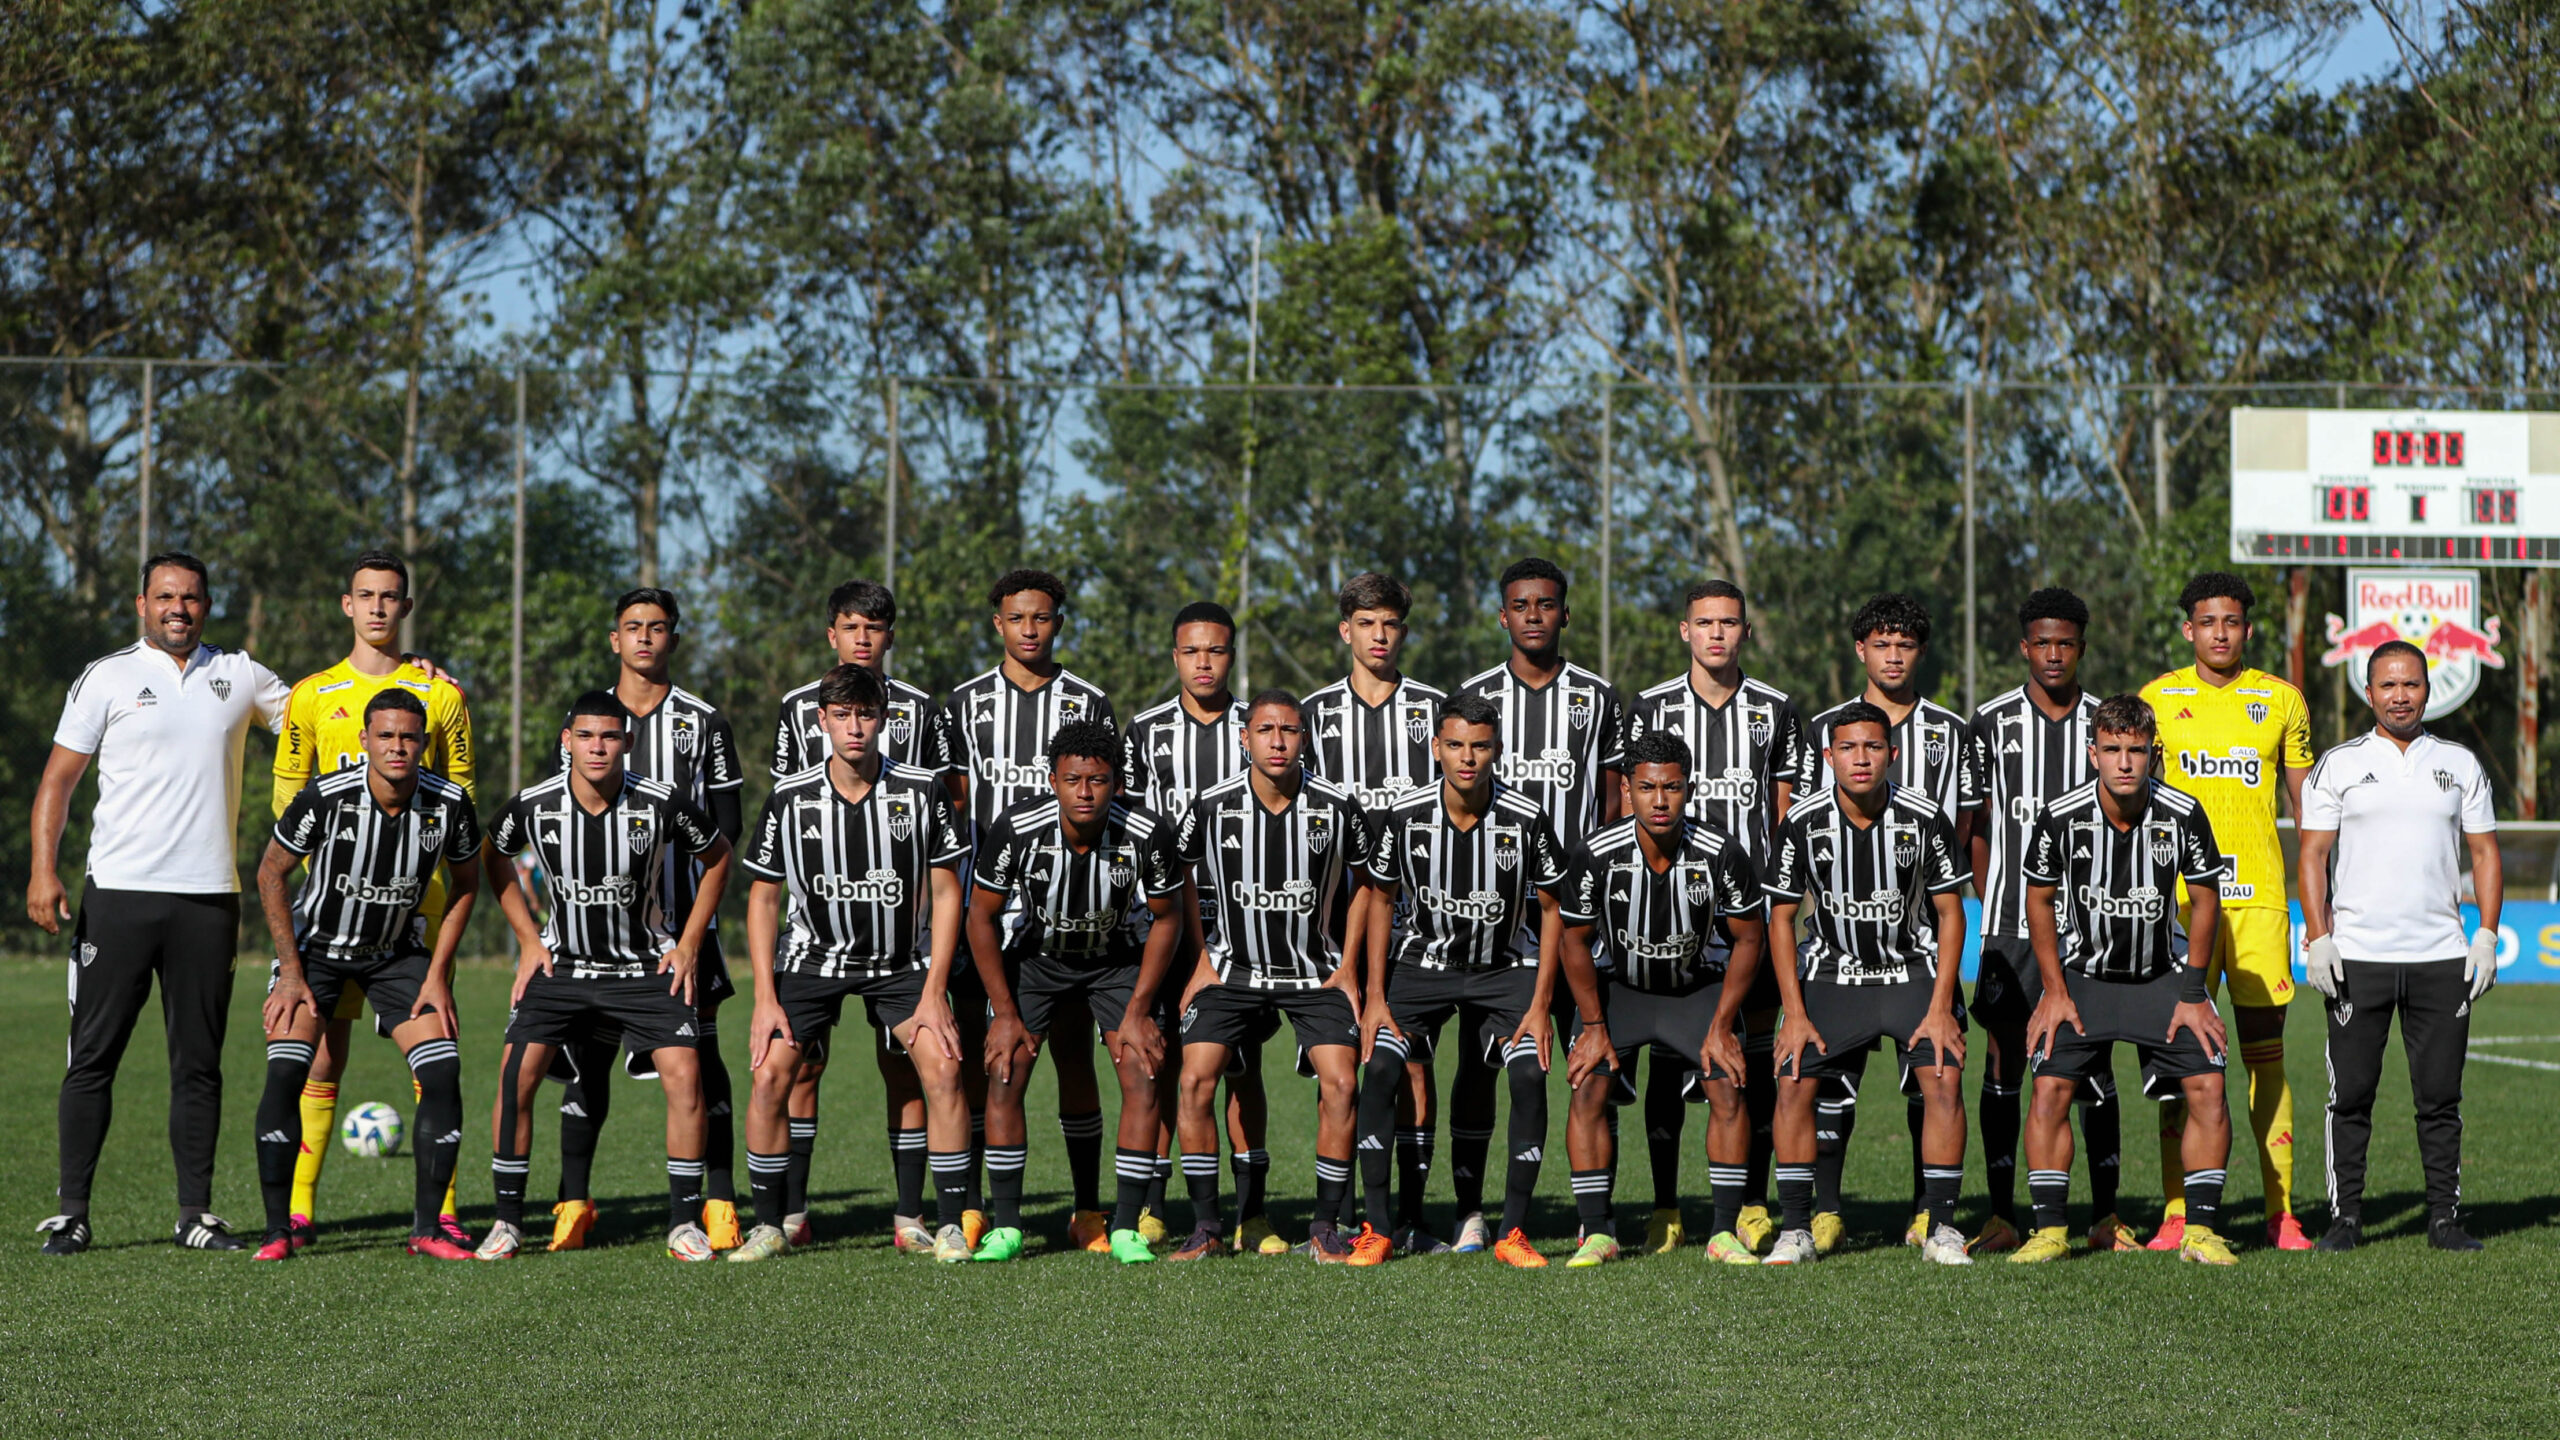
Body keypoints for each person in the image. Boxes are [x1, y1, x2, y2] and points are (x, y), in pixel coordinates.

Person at [31, 551, 292, 1255]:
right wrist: (43, 871)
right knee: (92, 1058)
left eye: (193, 598)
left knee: (198, 1063)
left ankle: (194, 1215)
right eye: (166, 597)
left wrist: (408, 673)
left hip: (208, 901)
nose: (180, 608)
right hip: (117, 897)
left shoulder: (238, 676)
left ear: (208, 605)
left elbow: (322, 715)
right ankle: (73, 1212)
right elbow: (58, 781)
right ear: (141, 602)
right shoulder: (107, 677)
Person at [475, 691, 734, 1262]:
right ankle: (507, 1222)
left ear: (628, 743)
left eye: (610, 736)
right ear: (566, 740)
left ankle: (683, 1222)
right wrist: (526, 940)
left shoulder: (661, 802)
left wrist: (689, 943)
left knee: (686, 1078)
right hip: (563, 965)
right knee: (515, 1077)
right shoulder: (536, 804)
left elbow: (718, 856)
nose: (598, 747)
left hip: (644, 967)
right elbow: (491, 857)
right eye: (587, 736)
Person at [268, 549, 477, 1252]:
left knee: (431, 1059)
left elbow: (460, 799)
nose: (380, 607)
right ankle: (297, 1211)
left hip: (412, 915)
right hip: (331, 913)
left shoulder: (442, 695)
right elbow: (286, 799)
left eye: (392, 596)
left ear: (406, 607)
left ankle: (440, 1211)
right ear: (347, 605)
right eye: (367, 595)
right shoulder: (311, 695)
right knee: (322, 1060)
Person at [733, 665, 973, 1263]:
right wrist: (765, 997)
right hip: (811, 960)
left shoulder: (921, 792)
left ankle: (946, 1225)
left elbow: (948, 893)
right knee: (769, 1076)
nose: (855, 727)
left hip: (900, 962)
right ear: (822, 721)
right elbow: (762, 898)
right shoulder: (790, 797)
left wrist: (934, 989)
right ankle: (768, 1226)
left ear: (884, 719)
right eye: (842, 715)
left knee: (941, 1070)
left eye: (866, 715)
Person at [548, 589, 747, 1253]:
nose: (644, 639)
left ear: (673, 640)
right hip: (598, 932)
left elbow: (729, 826)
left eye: (657, 628)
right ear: (615, 639)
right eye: (632, 628)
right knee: (588, 1060)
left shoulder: (704, 722)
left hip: (682, 933)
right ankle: (573, 1202)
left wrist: (689, 922)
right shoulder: (586, 719)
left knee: (700, 1061)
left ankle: (718, 1200)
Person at [2014, 694, 2239, 1266]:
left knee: (2209, 1082)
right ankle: (2050, 1230)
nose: (2123, 762)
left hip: (2161, 977)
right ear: (2093, 753)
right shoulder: (2060, 817)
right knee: (2048, 1086)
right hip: (2083, 978)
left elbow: (2207, 901)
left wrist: (2193, 994)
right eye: (2112, 749)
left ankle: (2201, 1230)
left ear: (2152, 753)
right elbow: (2038, 900)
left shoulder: (2182, 813)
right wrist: (2053, 992)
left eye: (2135, 750)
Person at [767, 580, 956, 1250]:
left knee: (904, 1064)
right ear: (832, 634)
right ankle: (789, 1212)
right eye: (851, 627)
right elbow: (787, 813)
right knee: (803, 1066)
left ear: (890, 636)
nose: (863, 639)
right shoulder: (798, 709)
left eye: (875, 628)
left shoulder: (921, 710)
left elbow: (938, 812)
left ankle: (910, 1215)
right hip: (816, 932)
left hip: (899, 935)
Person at [1620, 578, 1806, 1254]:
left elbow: (1784, 815)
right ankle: (1666, 1205)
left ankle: (1751, 1202)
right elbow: (1629, 805)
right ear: (1685, 631)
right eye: (1705, 623)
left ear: (1746, 632)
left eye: (1730, 623)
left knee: (1748, 1060)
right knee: (1669, 1062)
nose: (1717, 634)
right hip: (1669, 915)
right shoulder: (1649, 708)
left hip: (1748, 919)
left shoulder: (1778, 709)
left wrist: (1785, 899)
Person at [1353, 694, 1571, 1268]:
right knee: (1379, 1067)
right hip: (1421, 969)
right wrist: (1374, 996)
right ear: (1436, 748)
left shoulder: (1526, 817)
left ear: (1496, 749)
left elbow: (1553, 909)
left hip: (1505, 971)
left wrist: (1540, 1002)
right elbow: (1379, 900)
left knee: (1527, 1074)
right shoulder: (1406, 815)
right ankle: (1377, 1228)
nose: (1467, 757)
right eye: (1455, 745)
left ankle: (1512, 1232)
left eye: (1479, 745)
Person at [2297, 640, 2501, 1253]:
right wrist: (2319, 938)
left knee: (2439, 1098)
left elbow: (2486, 852)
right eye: (2387, 685)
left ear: (2427, 690)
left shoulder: (2460, 764)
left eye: (2410, 684)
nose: (2399, 696)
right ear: (2369, 693)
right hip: (2358, 958)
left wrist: (2486, 934)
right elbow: (2311, 855)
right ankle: (2347, 1218)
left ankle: (2444, 1218)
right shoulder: (2337, 764)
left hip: (2441, 957)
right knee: (2351, 1096)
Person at [1801, 593, 1987, 1248]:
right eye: (1881, 644)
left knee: (1931, 1078)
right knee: (1826, 1083)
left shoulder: (1952, 732)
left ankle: (1926, 1211)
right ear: (1861, 651)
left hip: (1920, 945)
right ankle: (1822, 1210)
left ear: (1921, 653)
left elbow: (1962, 834)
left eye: (1904, 645)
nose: (1893, 656)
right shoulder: (1822, 727)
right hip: (1839, 945)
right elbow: (1797, 832)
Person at [966, 720, 1189, 1264]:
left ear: (1115, 782)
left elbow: (1167, 918)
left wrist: (1138, 1010)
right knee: (1005, 1068)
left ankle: (1125, 1227)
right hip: (1039, 960)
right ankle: (1010, 1226)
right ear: (1053, 780)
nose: (1085, 792)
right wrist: (1002, 1012)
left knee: (1141, 1069)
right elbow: (981, 916)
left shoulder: (1145, 830)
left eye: (1098, 781)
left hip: (1113, 962)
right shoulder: (1017, 827)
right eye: (1073, 780)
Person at [1448, 556, 1622, 1254]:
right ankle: (1470, 1212)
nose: (1532, 614)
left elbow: (1612, 799)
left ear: (1564, 614)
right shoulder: (1475, 694)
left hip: (1575, 914)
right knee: (1478, 1067)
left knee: (1586, 1060)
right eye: (1520, 604)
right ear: (1503, 615)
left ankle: (1592, 1216)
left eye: (1545, 604)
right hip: (1491, 921)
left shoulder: (1599, 696)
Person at [942, 569, 1120, 1247]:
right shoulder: (962, 704)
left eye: (1042, 618)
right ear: (998, 624)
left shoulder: (1089, 702)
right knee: (995, 1057)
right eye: (1017, 618)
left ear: (1058, 624)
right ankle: (984, 1208)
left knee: (1075, 1054)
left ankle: (1086, 1209)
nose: (1029, 629)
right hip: (991, 910)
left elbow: (1104, 797)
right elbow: (957, 802)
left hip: (1072, 910)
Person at [1762, 702, 1972, 1266]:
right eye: (1849, 748)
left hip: (1910, 971)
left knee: (1944, 1075)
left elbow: (1951, 914)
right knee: (1793, 1079)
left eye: (1873, 747)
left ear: (1892, 754)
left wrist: (1941, 1006)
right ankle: (1796, 1229)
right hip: (1832, 973)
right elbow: (1781, 919)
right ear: (1828, 757)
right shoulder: (1802, 822)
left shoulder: (1925, 817)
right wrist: (1795, 1013)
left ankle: (1944, 1229)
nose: (1862, 759)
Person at [2140, 572, 2313, 1251]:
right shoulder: (2157, 700)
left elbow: (2310, 815)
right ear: (2189, 629)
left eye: (2232, 622)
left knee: (2263, 1058)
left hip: (2259, 904)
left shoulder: (2281, 700)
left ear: (2246, 629)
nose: (2219, 632)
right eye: (2207, 621)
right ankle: (2178, 1211)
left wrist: (2321, 905)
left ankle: (2282, 1212)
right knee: (2179, 1061)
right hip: (2179, 908)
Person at [1167, 690, 1372, 1261]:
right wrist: (1203, 955)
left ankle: (1325, 1226)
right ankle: (1208, 1227)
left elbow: (1368, 887)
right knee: (1194, 1079)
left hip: (1316, 974)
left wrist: (1348, 965)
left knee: (1341, 1082)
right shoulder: (1211, 804)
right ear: (1244, 738)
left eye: (1289, 730)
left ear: (1305, 738)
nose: (1277, 741)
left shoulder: (1336, 806)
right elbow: (1178, 872)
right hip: (1233, 971)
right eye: (1265, 730)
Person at [1556, 730, 1768, 1267]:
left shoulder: (1721, 852)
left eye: (1671, 788)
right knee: (1588, 1088)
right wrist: (1593, 1024)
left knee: (1727, 1087)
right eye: (1647, 788)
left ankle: (1722, 1233)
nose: (1659, 800)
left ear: (1688, 789)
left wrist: (1722, 1024)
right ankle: (1598, 1233)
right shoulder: (1596, 853)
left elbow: (1750, 938)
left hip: (1694, 991)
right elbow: (1573, 942)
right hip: (1620, 992)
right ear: (1627, 789)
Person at [1964, 587, 2129, 1255]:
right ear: (2024, 647)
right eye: (2043, 642)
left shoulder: (2108, 721)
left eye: (2067, 642)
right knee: (2004, 1063)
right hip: (2009, 929)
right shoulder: (1991, 721)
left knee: (2092, 1067)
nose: (2054, 654)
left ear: (2082, 647)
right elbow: (1975, 828)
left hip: (2088, 932)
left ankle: (2106, 1216)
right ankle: (2002, 1212)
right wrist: (1994, 905)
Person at [1123, 600, 1282, 1253]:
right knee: (1163, 1063)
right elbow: (1128, 826)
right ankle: (1156, 1207)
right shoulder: (1145, 731)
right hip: (1163, 922)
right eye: (1192, 651)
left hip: (1244, 925)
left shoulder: (1260, 727)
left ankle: (1254, 1213)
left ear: (1232, 656)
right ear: (1175, 657)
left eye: (1216, 650)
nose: (1205, 662)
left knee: (1242, 1067)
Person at [1302, 572, 1449, 1252]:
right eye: (1367, 624)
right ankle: (1344, 1210)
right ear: (1346, 632)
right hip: (1333, 921)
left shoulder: (1433, 710)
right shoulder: (1313, 715)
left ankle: (1409, 1215)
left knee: (1411, 1063)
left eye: (1390, 624)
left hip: (1420, 917)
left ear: (1403, 632)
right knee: (1337, 1066)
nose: (1380, 636)